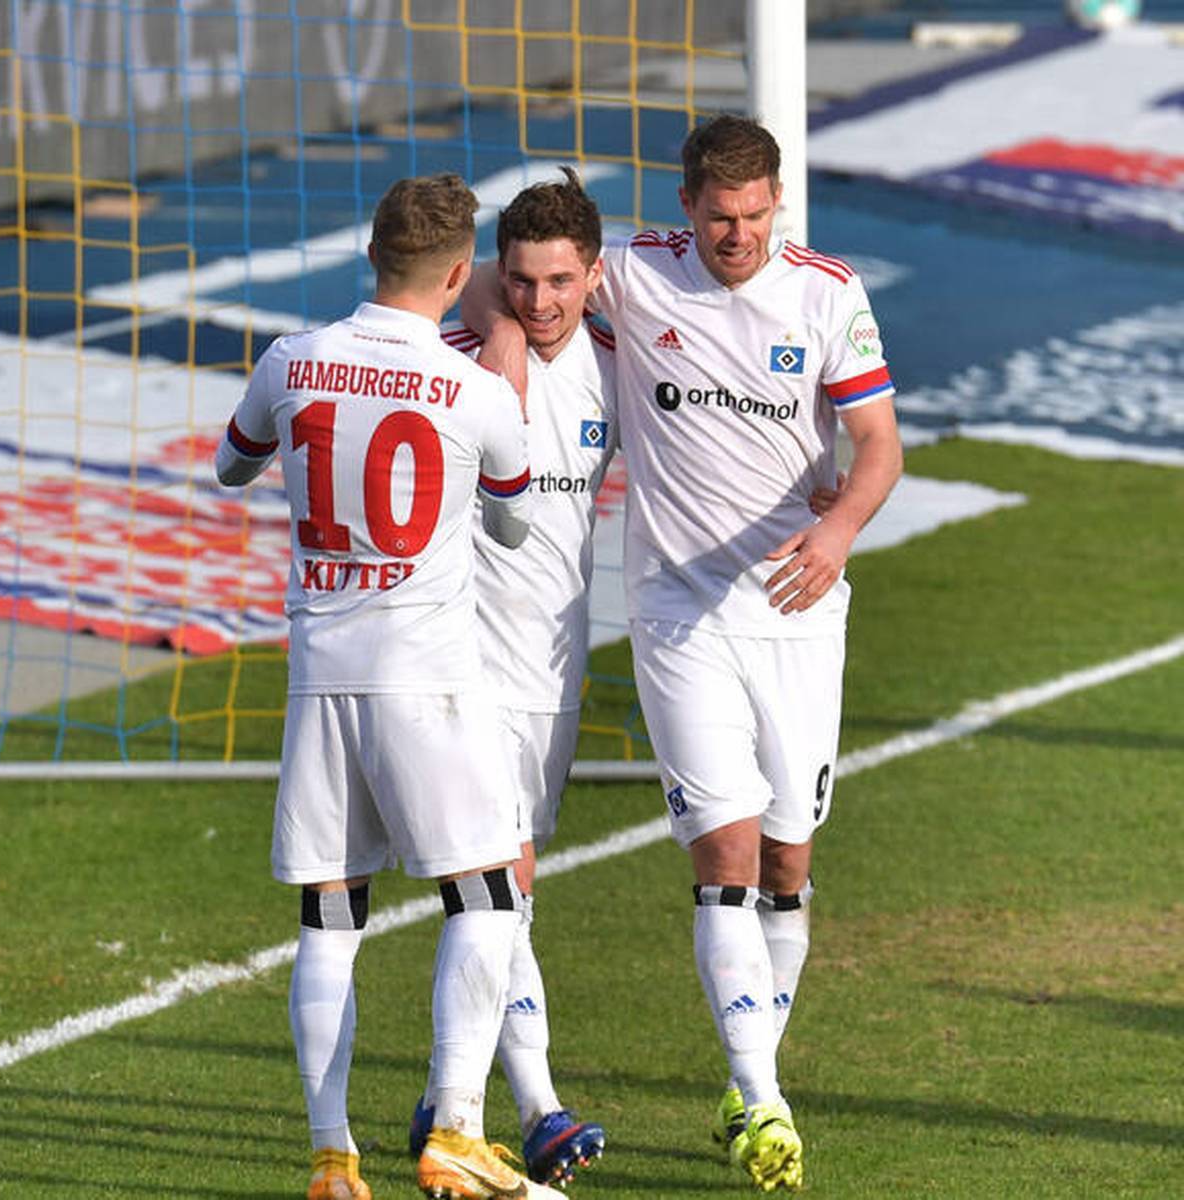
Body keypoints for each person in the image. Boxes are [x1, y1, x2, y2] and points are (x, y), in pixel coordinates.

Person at [464, 116, 903, 1194]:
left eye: (755, 216)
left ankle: (753, 1078)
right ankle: (760, 1097)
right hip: (678, 615)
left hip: (797, 611)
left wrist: (838, 531)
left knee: (789, 863)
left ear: (778, 203)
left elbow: (879, 445)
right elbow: (490, 277)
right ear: (687, 207)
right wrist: (507, 336)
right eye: (719, 217)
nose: (738, 235)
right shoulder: (637, 272)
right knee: (727, 853)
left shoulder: (827, 295)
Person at [215, 172, 562, 1200]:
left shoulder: (291, 360)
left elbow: (233, 465)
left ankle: (333, 1159)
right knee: (487, 896)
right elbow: (513, 525)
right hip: (428, 680)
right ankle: (455, 1127)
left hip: (321, 680)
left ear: (371, 256)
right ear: (461, 276)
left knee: (330, 918)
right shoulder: (478, 392)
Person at [408, 167, 615, 1186]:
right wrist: (489, 327)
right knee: (501, 885)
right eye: (519, 281)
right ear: (495, 271)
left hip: (555, 670)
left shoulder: (621, 361)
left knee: (504, 902)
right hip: (464, 667)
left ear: (593, 277)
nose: (538, 302)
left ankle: (448, 1101)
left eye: (559, 282)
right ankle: (528, 1112)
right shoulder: (459, 366)